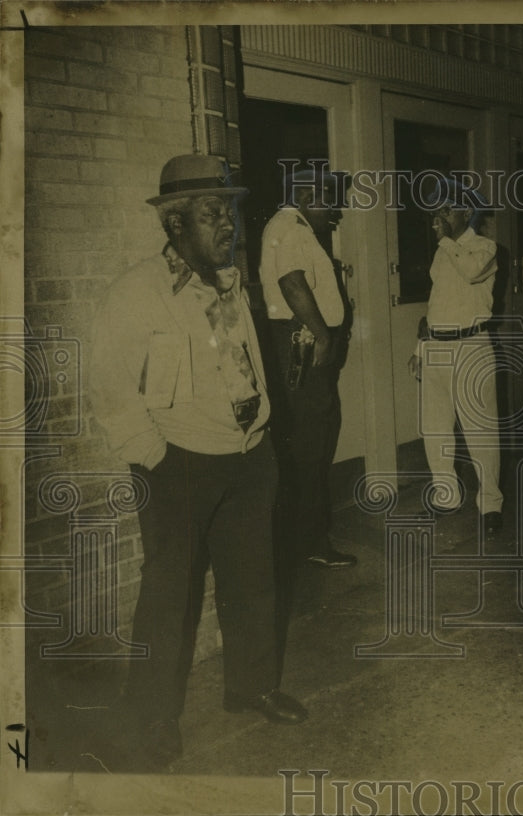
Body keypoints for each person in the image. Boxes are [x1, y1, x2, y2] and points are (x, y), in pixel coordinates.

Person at [89, 154, 308, 770]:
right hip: (178, 462)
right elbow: (109, 389)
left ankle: (251, 686)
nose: (228, 226)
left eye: (230, 213)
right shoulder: (135, 293)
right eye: (214, 214)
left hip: (247, 456)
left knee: (253, 581)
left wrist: (263, 436)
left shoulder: (232, 284)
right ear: (175, 223)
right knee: (168, 596)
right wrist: (156, 459)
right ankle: (153, 716)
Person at [260, 167, 358, 569]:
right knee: (310, 442)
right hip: (300, 342)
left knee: (312, 439)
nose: (334, 209)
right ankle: (308, 542)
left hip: (300, 340)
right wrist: (321, 335)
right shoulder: (291, 227)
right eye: (326, 198)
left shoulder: (292, 226)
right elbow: (292, 283)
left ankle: (303, 539)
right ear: (303, 195)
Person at [407, 180, 503, 535]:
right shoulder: (442, 251)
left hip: (471, 348)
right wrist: (421, 347)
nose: (438, 218)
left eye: (446, 210)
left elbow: (471, 271)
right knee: (435, 429)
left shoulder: (486, 247)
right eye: (436, 211)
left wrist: (446, 239)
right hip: (437, 348)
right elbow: (438, 303)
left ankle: (490, 504)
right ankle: (446, 496)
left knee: (480, 432)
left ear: (467, 211)